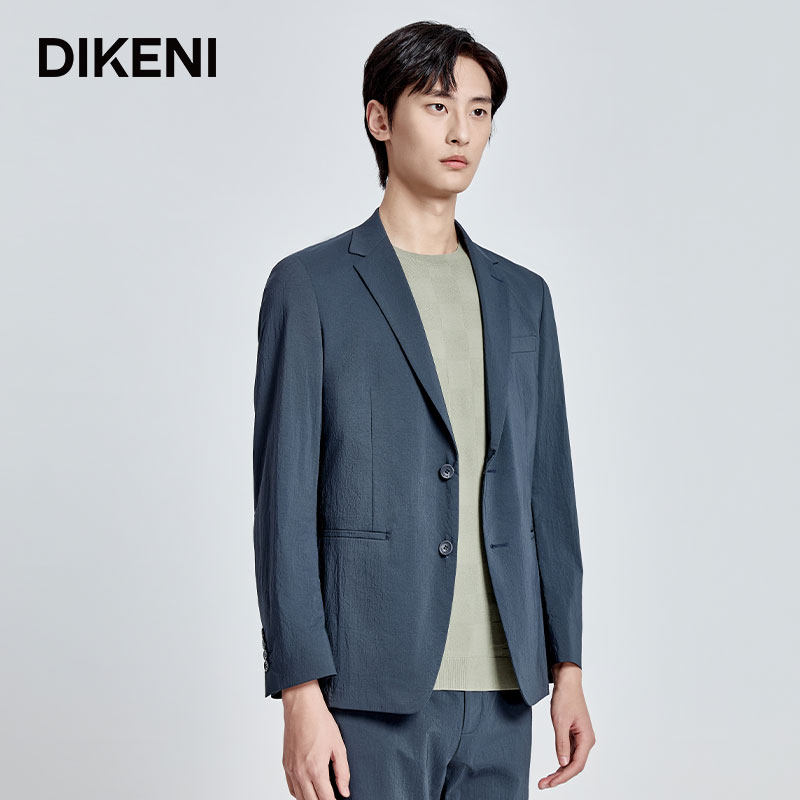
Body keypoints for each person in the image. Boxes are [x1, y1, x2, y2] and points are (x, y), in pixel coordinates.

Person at [252, 20, 595, 799]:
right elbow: (283, 506)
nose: (461, 132)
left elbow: (549, 495)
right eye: (437, 106)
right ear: (380, 119)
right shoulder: (310, 287)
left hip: (505, 692)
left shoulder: (524, 297)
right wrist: (300, 692)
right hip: (368, 685)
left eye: (478, 111)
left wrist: (568, 667)